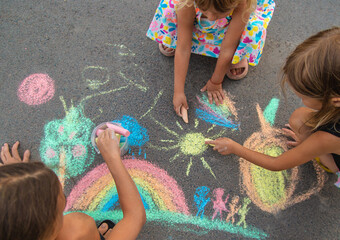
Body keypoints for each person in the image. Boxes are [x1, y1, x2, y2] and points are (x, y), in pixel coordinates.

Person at [205, 27, 340, 184]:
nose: (301, 100)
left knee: (308, 129)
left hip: (333, 149)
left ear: (335, 101)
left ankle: (330, 165)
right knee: (299, 119)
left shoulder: (327, 139)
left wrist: (234, 148)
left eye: (303, 96)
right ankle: (314, 150)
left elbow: (276, 164)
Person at [0, 129, 146, 240]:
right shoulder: (78, 230)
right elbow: (135, 216)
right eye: (60, 196)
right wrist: (112, 157)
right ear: (51, 229)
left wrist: (17, 183)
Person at [146, 0, 275, 119]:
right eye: (205, 10)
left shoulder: (242, 2)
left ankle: (239, 54)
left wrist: (216, 81)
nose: (211, 17)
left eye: (218, 13)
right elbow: (184, 47)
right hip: (197, 22)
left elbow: (228, 47)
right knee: (170, 9)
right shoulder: (187, 1)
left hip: (226, 28)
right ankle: (172, 38)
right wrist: (178, 91)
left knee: (253, 29)